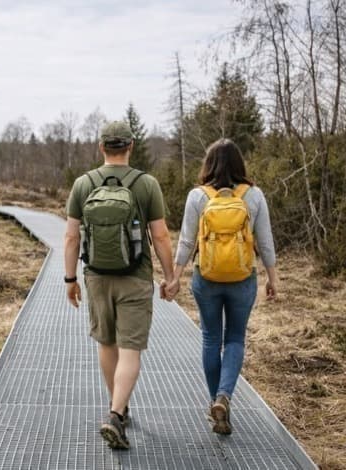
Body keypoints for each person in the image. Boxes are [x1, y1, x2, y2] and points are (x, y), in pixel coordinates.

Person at [64, 121, 175, 450]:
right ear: (130, 146)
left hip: (96, 277)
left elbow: (71, 237)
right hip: (136, 278)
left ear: (102, 148)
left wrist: (70, 279)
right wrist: (171, 277)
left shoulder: (83, 184)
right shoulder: (147, 184)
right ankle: (116, 413)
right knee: (131, 350)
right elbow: (161, 236)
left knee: (106, 344)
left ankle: (120, 407)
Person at [163, 138, 279, 435]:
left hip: (207, 278)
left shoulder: (197, 196)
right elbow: (265, 241)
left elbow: (187, 241)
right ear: (240, 164)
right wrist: (273, 278)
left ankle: (216, 403)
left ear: (209, 164)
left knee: (211, 339)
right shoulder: (253, 195)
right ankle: (225, 396)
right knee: (236, 338)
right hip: (243, 278)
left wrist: (175, 276)